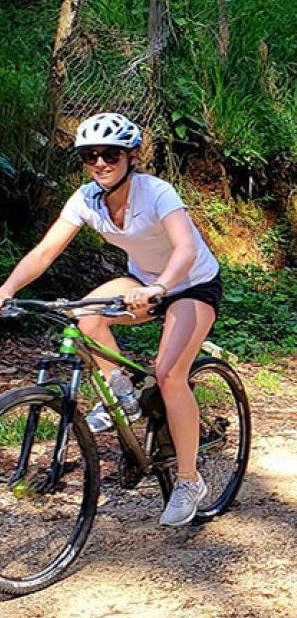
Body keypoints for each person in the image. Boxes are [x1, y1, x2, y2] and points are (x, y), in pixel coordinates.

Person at [0, 112, 221, 527]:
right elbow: (45, 251)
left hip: (191, 284)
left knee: (169, 374)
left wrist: (162, 286)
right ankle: (122, 393)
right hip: (143, 281)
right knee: (85, 313)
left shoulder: (156, 192)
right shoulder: (86, 199)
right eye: (90, 156)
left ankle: (189, 480)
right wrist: (6, 289)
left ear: (131, 156)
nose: (100, 163)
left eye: (111, 155)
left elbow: (185, 249)